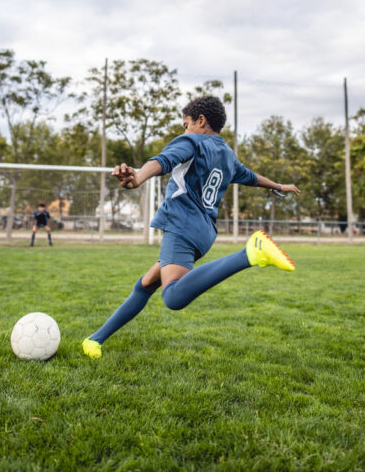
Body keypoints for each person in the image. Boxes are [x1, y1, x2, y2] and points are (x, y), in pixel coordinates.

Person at [82, 95, 301, 359]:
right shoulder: (227, 155)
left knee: (173, 297)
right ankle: (95, 340)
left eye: (186, 124)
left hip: (182, 225)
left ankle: (250, 254)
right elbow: (252, 178)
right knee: (146, 284)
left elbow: (163, 160)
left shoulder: (192, 141)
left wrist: (138, 177)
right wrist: (279, 187)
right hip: (204, 233)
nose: (184, 130)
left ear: (200, 120)